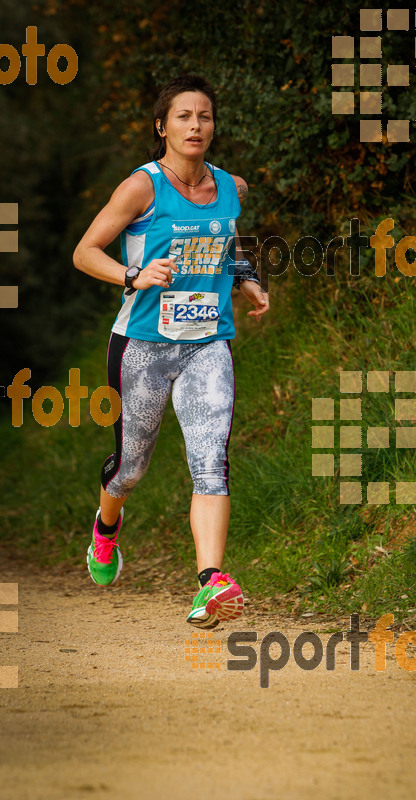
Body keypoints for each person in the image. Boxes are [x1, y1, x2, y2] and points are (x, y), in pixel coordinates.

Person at [73, 75, 269, 629]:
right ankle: (107, 528)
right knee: (130, 469)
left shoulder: (233, 186)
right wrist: (132, 275)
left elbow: (224, 240)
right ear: (162, 127)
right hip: (141, 348)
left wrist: (246, 276)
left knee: (210, 462)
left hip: (208, 346)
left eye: (204, 116)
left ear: (213, 126)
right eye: (184, 116)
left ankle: (210, 582)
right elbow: (84, 252)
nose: (195, 126)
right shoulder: (142, 188)